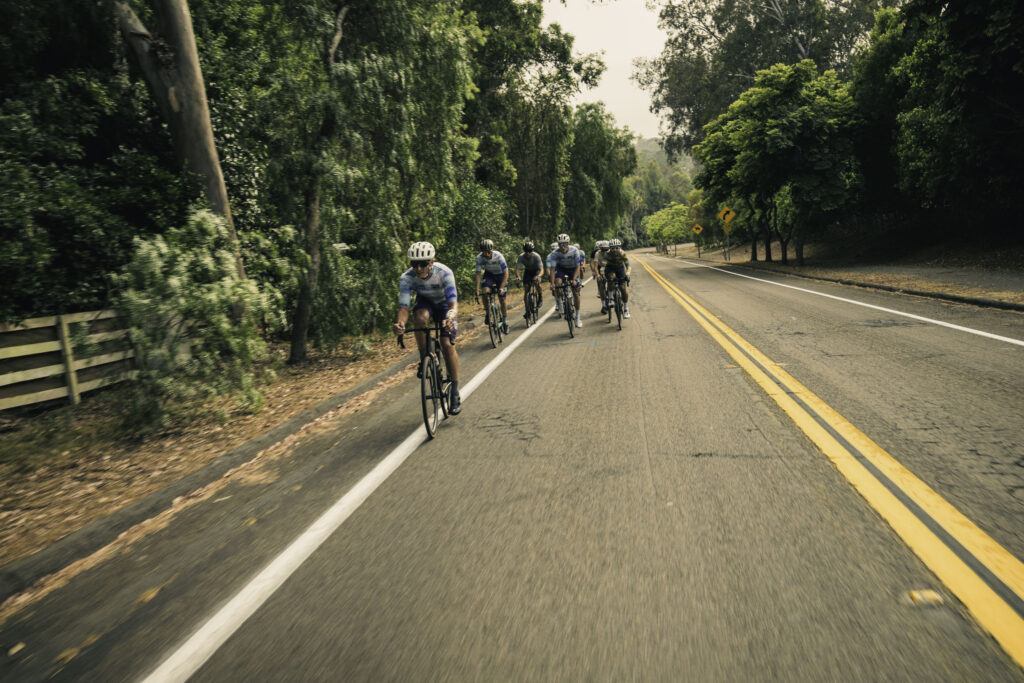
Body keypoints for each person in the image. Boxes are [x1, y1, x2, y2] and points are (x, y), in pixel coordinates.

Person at [393, 241, 462, 414]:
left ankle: (454, 390)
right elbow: (403, 308)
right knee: (420, 318)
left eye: (423, 263)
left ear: (432, 262)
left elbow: (453, 303)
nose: (418, 268)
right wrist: (400, 324)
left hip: (446, 306)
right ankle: (424, 355)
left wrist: (450, 318)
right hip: (426, 304)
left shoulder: (444, 273)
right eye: (414, 264)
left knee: (446, 344)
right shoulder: (406, 278)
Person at [548, 233, 584, 327]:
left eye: (565, 244)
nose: (563, 247)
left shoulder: (574, 251)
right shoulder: (554, 254)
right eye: (560, 244)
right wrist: (552, 284)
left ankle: (577, 317)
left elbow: (578, 267)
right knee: (558, 283)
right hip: (561, 269)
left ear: (568, 243)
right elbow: (552, 270)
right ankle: (560, 303)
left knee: (576, 292)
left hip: (573, 269)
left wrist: (574, 279)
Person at [475, 239, 510, 334]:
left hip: (501, 275)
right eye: (484, 252)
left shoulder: (499, 256)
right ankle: (488, 312)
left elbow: (506, 273)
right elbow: (478, 274)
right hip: (489, 274)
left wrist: (502, 287)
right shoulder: (479, 258)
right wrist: (477, 290)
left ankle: (505, 322)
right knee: (485, 292)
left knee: (502, 300)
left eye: (488, 252)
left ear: (492, 250)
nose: (486, 254)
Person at [515, 241, 545, 318]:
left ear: (533, 250)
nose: (528, 253)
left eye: (530, 251)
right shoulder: (521, 257)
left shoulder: (536, 256)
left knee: (537, 283)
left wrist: (539, 276)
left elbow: (542, 269)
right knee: (526, 290)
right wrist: (518, 277)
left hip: (536, 271)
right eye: (526, 251)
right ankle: (527, 311)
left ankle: (540, 297)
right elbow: (517, 269)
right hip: (528, 272)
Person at [603, 238, 631, 318]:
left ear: (619, 247)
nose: (614, 250)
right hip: (610, 268)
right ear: (610, 248)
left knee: (623, 288)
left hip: (620, 268)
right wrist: (602, 274)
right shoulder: (607, 254)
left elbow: (628, 265)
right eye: (612, 248)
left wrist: (628, 274)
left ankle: (626, 309)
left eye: (616, 248)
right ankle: (611, 298)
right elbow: (603, 265)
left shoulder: (622, 253)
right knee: (611, 278)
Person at [591, 240, 610, 313]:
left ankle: (612, 295)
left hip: (610, 267)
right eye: (603, 249)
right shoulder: (596, 253)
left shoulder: (611, 252)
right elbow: (594, 265)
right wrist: (596, 274)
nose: (605, 251)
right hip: (600, 268)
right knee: (601, 283)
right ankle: (604, 305)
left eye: (606, 249)